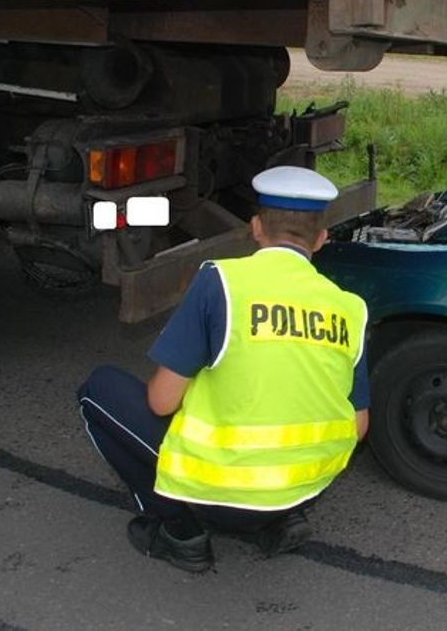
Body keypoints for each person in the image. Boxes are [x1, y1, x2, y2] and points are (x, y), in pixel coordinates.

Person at [77, 166, 369, 573]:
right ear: (321, 239)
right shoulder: (349, 308)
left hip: (218, 492)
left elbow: (161, 402)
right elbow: (357, 426)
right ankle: (278, 521)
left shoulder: (223, 282)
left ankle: (181, 534)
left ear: (255, 228)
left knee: (99, 388)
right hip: (300, 490)